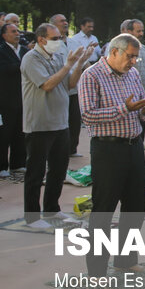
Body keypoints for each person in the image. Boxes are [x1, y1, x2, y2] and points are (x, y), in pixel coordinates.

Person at [78, 33, 145, 276]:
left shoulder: (132, 74)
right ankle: (97, 270)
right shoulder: (91, 75)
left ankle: (126, 260)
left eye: (136, 57)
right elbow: (88, 115)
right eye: (130, 56)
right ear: (114, 52)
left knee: (135, 208)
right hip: (108, 150)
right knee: (104, 211)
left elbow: (138, 111)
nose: (133, 62)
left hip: (134, 146)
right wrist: (126, 108)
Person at [21, 23, 91, 227]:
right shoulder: (31, 58)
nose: (59, 42)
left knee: (59, 170)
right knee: (35, 172)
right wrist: (69, 65)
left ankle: (52, 210)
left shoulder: (58, 57)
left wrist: (79, 64)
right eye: (54, 38)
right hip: (39, 124)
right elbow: (48, 85)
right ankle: (32, 217)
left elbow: (70, 84)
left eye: (60, 38)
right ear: (41, 39)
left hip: (60, 122)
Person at [66, 17, 100, 156]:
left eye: (92, 26)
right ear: (81, 26)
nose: (91, 29)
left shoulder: (94, 37)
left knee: (75, 117)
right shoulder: (75, 40)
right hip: (77, 70)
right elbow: (77, 58)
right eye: (88, 26)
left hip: (90, 66)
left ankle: (73, 148)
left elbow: (98, 54)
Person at [1, 23, 28, 178]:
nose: (17, 33)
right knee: (4, 134)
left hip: (23, 98)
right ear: (4, 35)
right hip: (5, 100)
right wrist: (22, 65)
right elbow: (5, 70)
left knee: (20, 132)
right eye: (13, 31)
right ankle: (2, 166)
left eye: (17, 31)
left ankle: (18, 164)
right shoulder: (2, 51)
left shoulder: (24, 50)